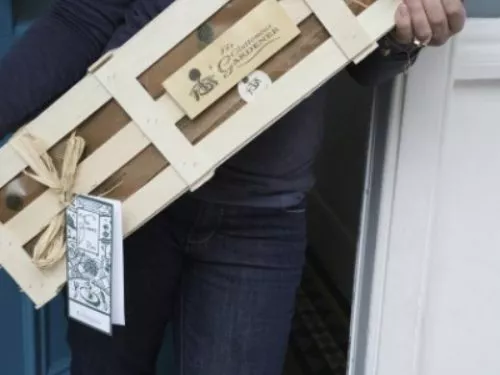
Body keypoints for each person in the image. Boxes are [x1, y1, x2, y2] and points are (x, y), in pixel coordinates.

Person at [0, 0, 466, 374]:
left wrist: (407, 31)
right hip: (103, 197)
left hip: (258, 220)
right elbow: (83, 16)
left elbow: (367, 61)